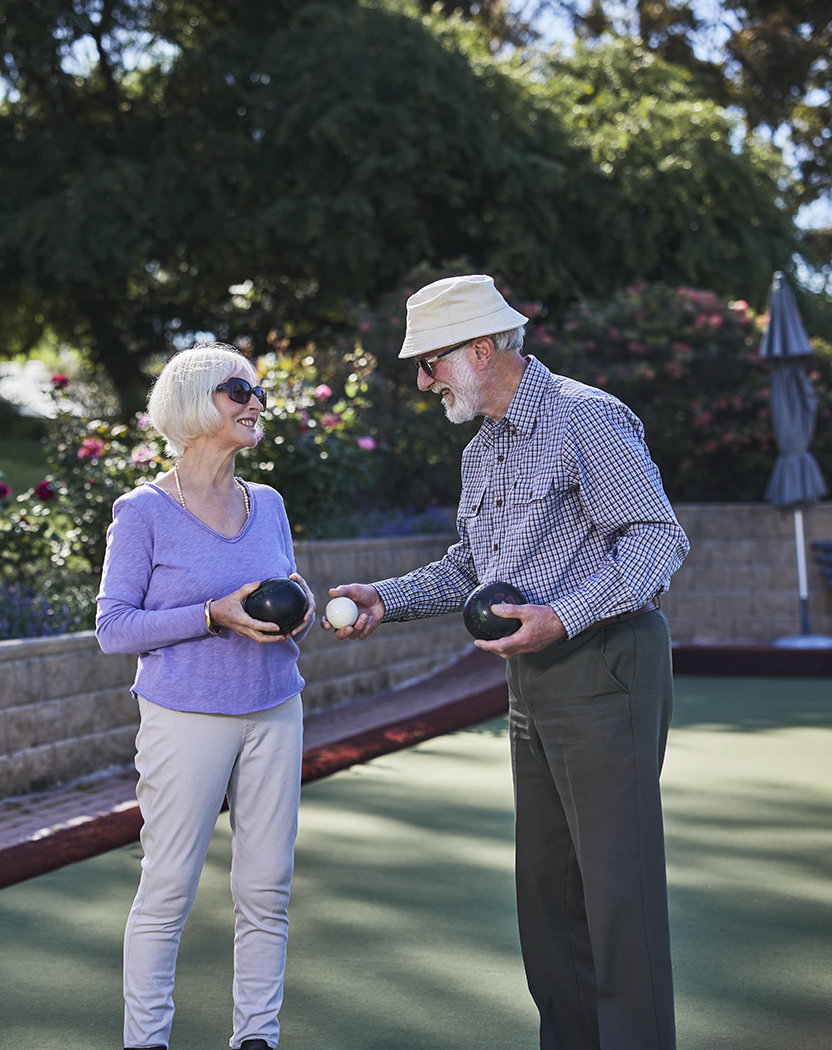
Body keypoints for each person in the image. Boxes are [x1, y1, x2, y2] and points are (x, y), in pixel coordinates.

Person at [325, 275, 689, 1050]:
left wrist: (563, 616)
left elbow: (658, 538)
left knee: (617, 895)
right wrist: (387, 598)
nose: (423, 381)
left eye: (430, 362)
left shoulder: (585, 419)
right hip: (533, 679)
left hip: (608, 663)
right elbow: (471, 566)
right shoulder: (484, 446)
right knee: (547, 897)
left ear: (481, 350)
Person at [96, 342, 315, 1050]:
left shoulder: (270, 502)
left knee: (266, 891)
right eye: (237, 390)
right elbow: (113, 628)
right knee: (167, 890)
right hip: (184, 718)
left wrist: (299, 611)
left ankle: (257, 1039)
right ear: (193, 401)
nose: (256, 402)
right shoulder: (143, 512)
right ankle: (147, 1042)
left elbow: (283, 588)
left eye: (258, 391)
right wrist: (210, 614)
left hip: (276, 709)